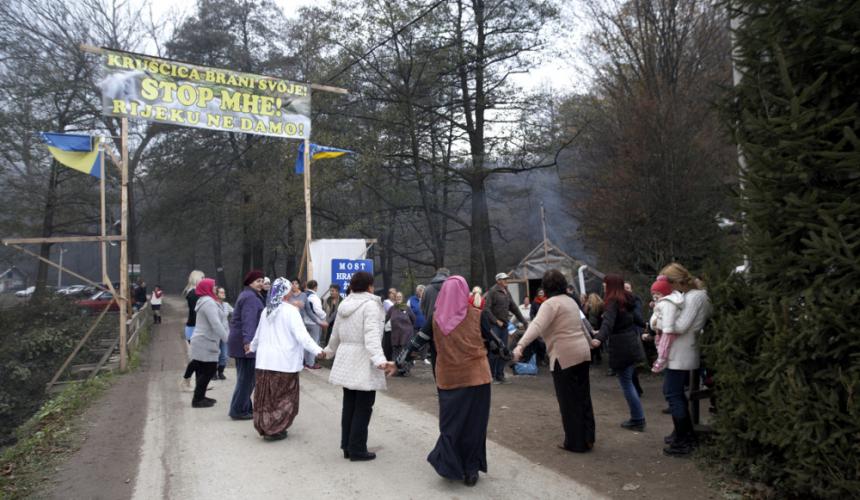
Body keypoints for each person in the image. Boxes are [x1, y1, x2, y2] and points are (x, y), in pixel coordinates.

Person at [395, 276, 507, 486]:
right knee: (475, 425)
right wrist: (506, 352)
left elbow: (416, 343)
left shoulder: (435, 319)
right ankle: (471, 469)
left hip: (449, 379)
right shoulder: (477, 314)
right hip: (477, 379)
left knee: (451, 424)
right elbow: (494, 343)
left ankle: (450, 464)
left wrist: (399, 361)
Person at [513, 270, 595, 452]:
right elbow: (581, 324)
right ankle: (588, 437)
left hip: (564, 356)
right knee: (583, 397)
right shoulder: (571, 301)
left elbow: (536, 325)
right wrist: (591, 341)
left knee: (568, 401)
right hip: (582, 353)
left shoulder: (550, 305)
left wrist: (520, 345)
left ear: (546, 287)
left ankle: (575, 442)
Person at [318, 271, 395, 461]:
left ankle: (347, 446)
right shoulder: (370, 305)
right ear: (370, 286)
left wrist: (327, 352)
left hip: (346, 358)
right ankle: (358, 449)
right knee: (363, 407)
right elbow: (371, 336)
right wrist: (380, 360)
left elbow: (335, 334)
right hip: (363, 359)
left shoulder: (344, 304)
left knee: (350, 405)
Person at [249, 278, 324, 441]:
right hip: (283, 363)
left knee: (266, 398)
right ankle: (275, 428)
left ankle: (265, 426)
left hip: (264, 362)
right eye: (289, 289)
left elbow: (258, 334)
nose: (291, 292)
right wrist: (318, 350)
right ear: (285, 292)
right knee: (283, 398)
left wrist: (252, 347)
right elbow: (302, 336)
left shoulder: (266, 311)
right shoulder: (290, 311)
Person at [659, 263, 712, 456]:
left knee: (673, 394)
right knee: (672, 392)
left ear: (677, 281)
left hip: (683, 350)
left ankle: (685, 440)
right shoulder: (693, 296)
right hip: (680, 350)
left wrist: (663, 317)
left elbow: (680, 326)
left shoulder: (694, 297)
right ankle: (682, 434)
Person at [591, 274, 647, 431]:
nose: (603, 286)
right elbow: (637, 319)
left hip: (621, 347)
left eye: (605, 284)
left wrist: (599, 339)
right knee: (629, 381)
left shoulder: (612, 302)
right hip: (631, 343)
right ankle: (638, 418)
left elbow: (608, 323)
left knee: (627, 383)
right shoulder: (627, 300)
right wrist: (648, 326)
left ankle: (638, 418)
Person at [227, 270, 265, 420]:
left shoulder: (249, 295)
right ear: (250, 282)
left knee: (245, 378)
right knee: (247, 379)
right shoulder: (250, 298)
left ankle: (245, 407)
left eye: (262, 280)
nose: (261, 283)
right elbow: (248, 322)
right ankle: (238, 410)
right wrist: (248, 342)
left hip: (241, 341)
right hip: (245, 343)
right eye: (257, 281)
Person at [188, 278, 229, 408]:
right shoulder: (209, 302)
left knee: (202, 371)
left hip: (202, 340)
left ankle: (200, 397)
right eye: (213, 286)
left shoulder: (204, 300)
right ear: (207, 288)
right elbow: (215, 324)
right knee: (210, 370)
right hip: (205, 341)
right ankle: (197, 399)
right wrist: (227, 338)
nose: (215, 288)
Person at [484, 272, 528, 384]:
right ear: (498, 280)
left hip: (504, 325)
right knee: (494, 351)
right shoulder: (492, 292)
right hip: (495, 326)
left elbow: (514, 308)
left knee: (504, 351)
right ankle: (491, 376)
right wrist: (496, 321)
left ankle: (500, 375)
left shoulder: (506, 292)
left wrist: (523, 320)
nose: (506, 281)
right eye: (504, 279)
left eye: (506, 279)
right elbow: (486, 309)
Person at [649, 277, 684, 373]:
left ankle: (662, 359)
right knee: (659, 342)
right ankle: (661, 356)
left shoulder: (667, 303)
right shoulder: (662, 301)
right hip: (661, 329)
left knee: (664, 344)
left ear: (665, 293)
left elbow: (668, 316)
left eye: (658, 294)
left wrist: (667, 329)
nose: (655, 296)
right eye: (653, 294)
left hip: (667, 330)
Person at [180, 270, 205, 392]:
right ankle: (186, 381)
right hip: (194, 328)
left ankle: (197, 384)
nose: (204, 279)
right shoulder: (193, 294)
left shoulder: (195, 293)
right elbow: (196, 314)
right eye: (202, 277)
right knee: (196, 358)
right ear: (197, 279)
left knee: (199, 358)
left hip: (194, 327)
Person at [385, 291, 415, 375]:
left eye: (400, 296)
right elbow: (386, 319)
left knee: (405, 351)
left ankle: (405, 369)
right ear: (395, 298)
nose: (398, 298)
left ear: (402, 298)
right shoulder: (392, 308)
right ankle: (396, 369)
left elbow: (413, 319)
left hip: (406, 333)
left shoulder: (406, 307)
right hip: (396, 334)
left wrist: (408, 328)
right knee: (396, 351)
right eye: (397, 296)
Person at [301, 280, 328, 369]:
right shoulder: (314, 297)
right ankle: (311, 363)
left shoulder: (303, 295)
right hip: (314, 322)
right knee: (314, 343)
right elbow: (317, 310)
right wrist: (324, 316)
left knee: (306, 342)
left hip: (304, 322)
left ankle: (305, 361)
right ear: (315, 287)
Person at [215, 287, 232, 380]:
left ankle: (220, 372)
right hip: (216, 334)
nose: (223, 294)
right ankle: (213, 373)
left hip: (225, 334)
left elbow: (235, 312)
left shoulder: (226, 305)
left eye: (224, 292)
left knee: (224, 355)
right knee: (215, 354)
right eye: (221, 292)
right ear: (216, 294)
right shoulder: (213, 305)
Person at [584, 293, 604, 365]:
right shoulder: (601, 305)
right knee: (597, 341)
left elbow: (585, 315)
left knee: (591, 342)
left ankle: (592, 358)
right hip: (599, 325)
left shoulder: (590, 307)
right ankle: (598, 357)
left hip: (592, 326)